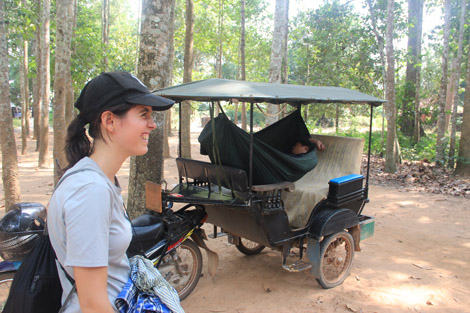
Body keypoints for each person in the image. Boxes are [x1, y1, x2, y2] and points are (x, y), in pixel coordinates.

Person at [47, 72, 174, 313]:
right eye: (143, 114)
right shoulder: (90, 191)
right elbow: (93, 305)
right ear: (110, 121)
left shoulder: (97, 179)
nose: (152, 124)